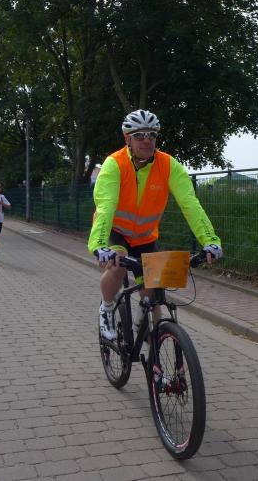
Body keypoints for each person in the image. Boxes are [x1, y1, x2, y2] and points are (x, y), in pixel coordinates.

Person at [88, 109, 223, 341]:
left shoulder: (168, 165)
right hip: (116, 232)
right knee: (118, 266)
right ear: (127, 139)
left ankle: (152, 334)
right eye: (139, 135)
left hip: (145, 237)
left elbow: (190, 204)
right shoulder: (114, 164)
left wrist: (210, 240)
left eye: (151, 135)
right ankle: (107, 308)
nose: (146, 140)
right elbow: (105, 206)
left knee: (154, 290)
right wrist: (99, 245)